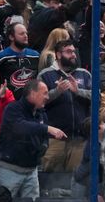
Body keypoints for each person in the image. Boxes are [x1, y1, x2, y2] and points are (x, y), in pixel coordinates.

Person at [0, 79, 66, 199]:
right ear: (33, 93)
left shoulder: (41, 114)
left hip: (31, 171)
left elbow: (43, 138)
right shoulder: (12, 109)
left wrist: (43, 147)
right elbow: (21, 127)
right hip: (9, 169)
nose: (47, 97)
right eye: (45, 93)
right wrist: (47, 128)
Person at [37, 40, 91, 172]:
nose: (73, 55)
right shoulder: (45, 75)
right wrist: (57, 91)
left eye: (73, 52)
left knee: (76, 180)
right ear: (58, 55)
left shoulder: (84, 74)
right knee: (49, 180)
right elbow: (37, 101)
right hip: (54, 139)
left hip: (79, 139)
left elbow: (98, 97)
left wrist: (78, 91)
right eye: (68, 52)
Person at [0, 22, 40, 100]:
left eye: (26, 33)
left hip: (32, 102)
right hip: (9, 103)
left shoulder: (35, 56)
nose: (26, 36)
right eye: (21, 34)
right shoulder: (0, 58)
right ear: (11, 37)